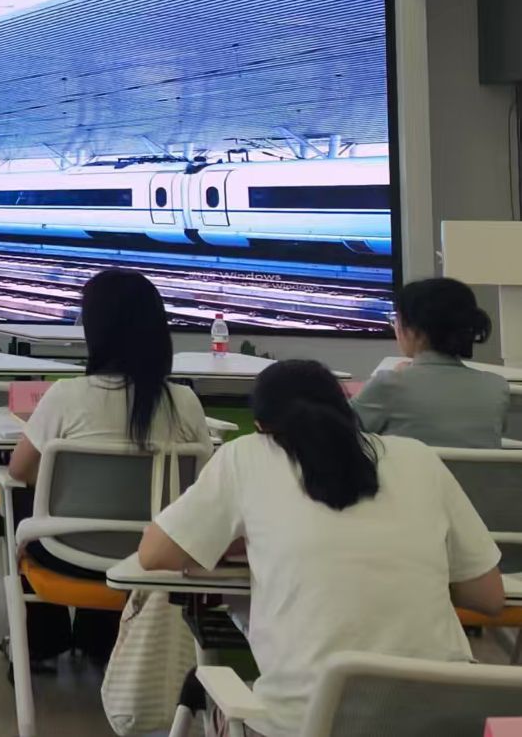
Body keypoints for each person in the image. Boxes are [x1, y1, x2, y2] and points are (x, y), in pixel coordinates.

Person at [143, 360, 504, 737]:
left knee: (214, 699)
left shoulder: (246, 455)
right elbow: (488, 595)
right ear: (345, 409)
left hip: (301, 724)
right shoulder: (418, 457)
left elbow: (155, 554)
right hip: (442, 721)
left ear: (262, 426)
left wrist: (249, 543)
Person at [4, 269, 209, 662]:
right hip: (155, 556)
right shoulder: (184, 402)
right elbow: (201, 487)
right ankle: (103, 640)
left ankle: (42, 641)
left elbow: (18, 470)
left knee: (19, 500)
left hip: (67, 554)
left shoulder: (65, 396)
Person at [352, 277, 508, 447]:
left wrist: (397, 376)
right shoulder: (496, 387)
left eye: (396, 320)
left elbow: (338, 431)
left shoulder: (388, 384)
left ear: (415, 331)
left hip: (409, 466)